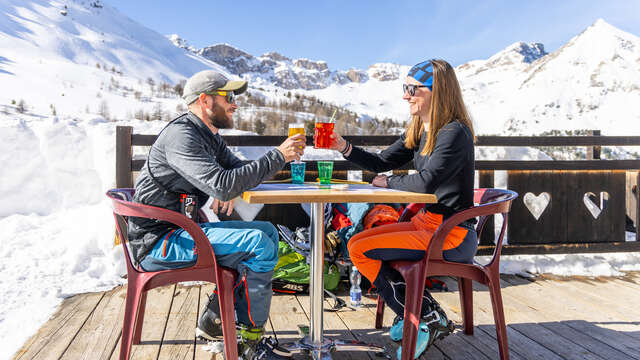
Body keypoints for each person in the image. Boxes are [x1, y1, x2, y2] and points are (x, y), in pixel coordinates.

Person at [128, 70, 305, 359]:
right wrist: (276, 156)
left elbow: (234, 175)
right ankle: (249, 340)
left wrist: (234, 187)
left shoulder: (208, 136)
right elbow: (223, 185)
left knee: (268, 232)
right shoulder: (181, 136)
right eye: (229, 97)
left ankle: (214, 320)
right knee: (257, 244)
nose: (235, 104)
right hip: (158, 240)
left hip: (182, 230)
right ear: (205, 100)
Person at [322, 59, 476, 358]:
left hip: (450, 234)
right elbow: (382, 162)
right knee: (357, 244)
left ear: (436, 91)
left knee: (360, 249)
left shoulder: (454, 132)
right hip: (426, 224)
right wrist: (343, 147)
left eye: (411, 89)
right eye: (404, 89)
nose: (405, 96)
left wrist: (389, 181)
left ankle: (422, 317)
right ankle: (423, 314)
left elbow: (427, 182)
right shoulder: (422, 128)